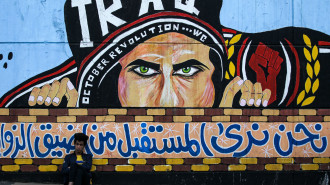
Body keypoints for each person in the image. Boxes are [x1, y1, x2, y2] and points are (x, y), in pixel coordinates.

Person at [0, 0, 329, 108]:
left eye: (188, 70)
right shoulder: (55, 98)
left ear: (216, 71)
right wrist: (53, 126)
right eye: (144, 71)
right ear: (115, 78)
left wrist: (240, 129)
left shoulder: (269, 66)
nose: (169, 100)